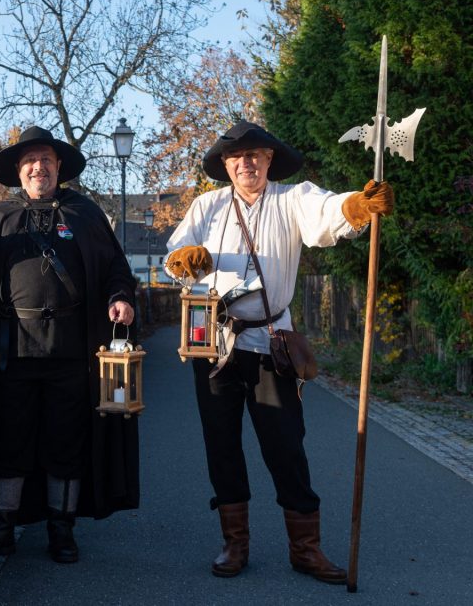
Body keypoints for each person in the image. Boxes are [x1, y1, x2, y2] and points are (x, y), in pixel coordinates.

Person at [165, 120, 394, 584]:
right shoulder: (207, 206)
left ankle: (305, 549)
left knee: (286, 447)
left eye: (255, 155)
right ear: (225, 165)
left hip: (271, 342)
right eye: (237, 157)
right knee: (222, 447)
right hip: (213, 345)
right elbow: (176, 253)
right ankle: (235, 544)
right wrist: (185, 259)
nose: (246, 162)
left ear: (269, 160)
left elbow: (330, 211)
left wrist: (357, 205)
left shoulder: (292, 199)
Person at [0, 126, 139, 564]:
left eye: (45, 159)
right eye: (30, 161)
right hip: (13, 354)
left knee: (66, 443)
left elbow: (116, 269)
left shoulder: (85, 215)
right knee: (11, 443)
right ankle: (3, 526)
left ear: (58, 166)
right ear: (17, 171)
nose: (38, 167)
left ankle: (61, 528)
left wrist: (120, 298)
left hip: (72, 353)